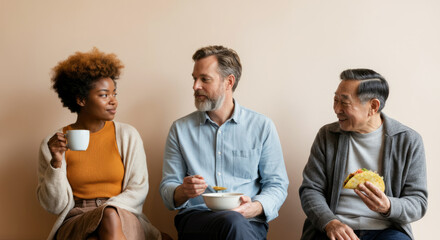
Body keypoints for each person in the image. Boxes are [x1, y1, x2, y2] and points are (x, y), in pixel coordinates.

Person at [159, 45, 289, 240]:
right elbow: (168, 189)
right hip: (197, 219)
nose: (195, 86)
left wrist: (254, 208)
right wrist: (183, 191)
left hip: (248, 221)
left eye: (204, 79)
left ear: (229, 82)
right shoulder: (180, 129)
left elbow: (277, 184)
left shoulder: (262, 126)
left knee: (235, 223)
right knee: (232, 222)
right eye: (194, 78)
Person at [37, 48, 164, 240]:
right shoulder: (53, 143)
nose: (114, 101)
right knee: (106, 220)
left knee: (108, 218)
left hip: (123, 212)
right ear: (81, 99)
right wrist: (56, 162)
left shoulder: (127, 135)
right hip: (76, 218)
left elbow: (138, 189)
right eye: (104, 95)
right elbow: (54, 206)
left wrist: (107, 209)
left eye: (114, 94)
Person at [299, 69, 428, 240]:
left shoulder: (408, 140)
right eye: (335, 100)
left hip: (387, 230)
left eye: (344, 103)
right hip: (334, 227)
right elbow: (310, 190)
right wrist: (331, 223)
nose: (336, 109)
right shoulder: (327, 135)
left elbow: (418, 202)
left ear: (373, 107)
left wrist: (388, 206)